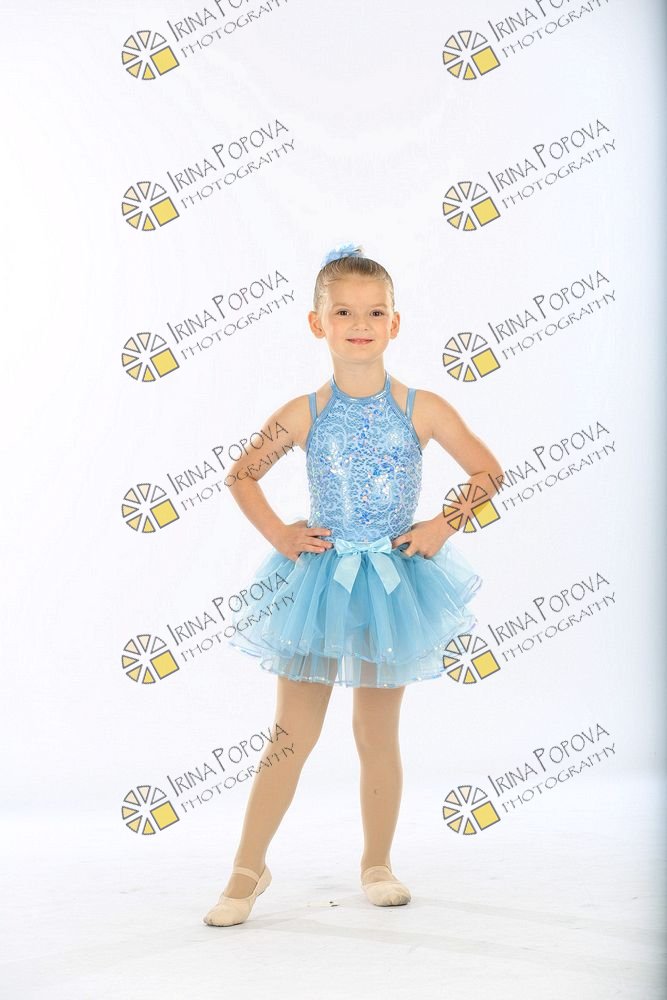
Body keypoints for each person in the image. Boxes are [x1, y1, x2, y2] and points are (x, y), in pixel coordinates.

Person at [203, 243, 504, 927]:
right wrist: (280, 534)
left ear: (395, 323)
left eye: (374, 312)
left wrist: (441, 526)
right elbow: (242, 474)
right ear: (318, 324)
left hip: (392, 586)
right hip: (319, 583)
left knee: (376, 732)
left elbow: (487, 472)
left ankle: (377, 862)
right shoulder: (305, 411)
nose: (359, 324)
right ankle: (248, 868)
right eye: (343, 312)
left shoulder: (423, 408)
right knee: (290, 733)